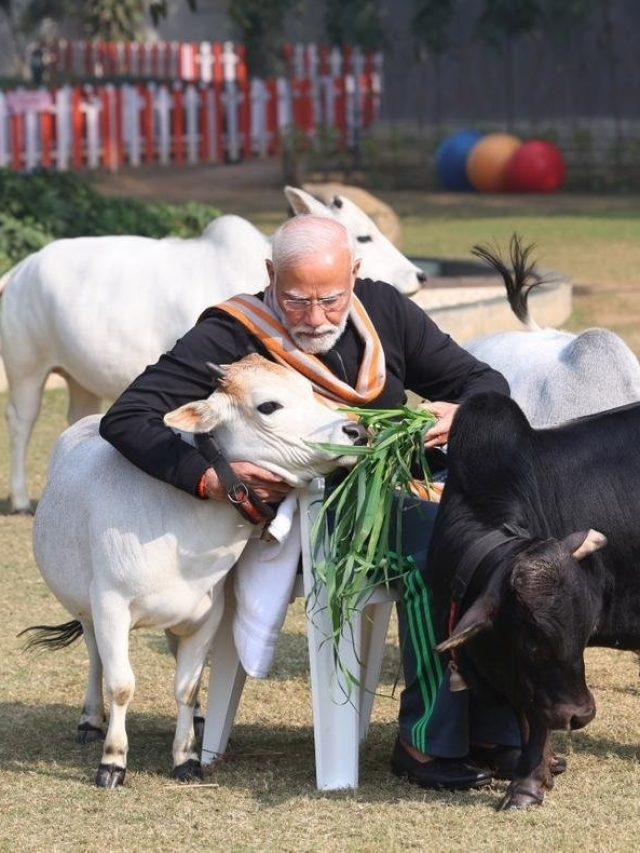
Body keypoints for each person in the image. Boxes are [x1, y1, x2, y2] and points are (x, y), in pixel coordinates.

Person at [100, 214, 519, 790]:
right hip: (311, 517)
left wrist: (461, 411)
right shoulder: (231, 332)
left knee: (502, 538)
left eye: (331, 298)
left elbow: (484, 380)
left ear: (356, 274)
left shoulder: (384, 311)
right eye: (296, 300)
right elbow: (128, 416)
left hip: (397, 488)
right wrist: (212, 478)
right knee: (442, 542)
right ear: (271, 275)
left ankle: (495, 731)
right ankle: (426, 743)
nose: (315, 318)